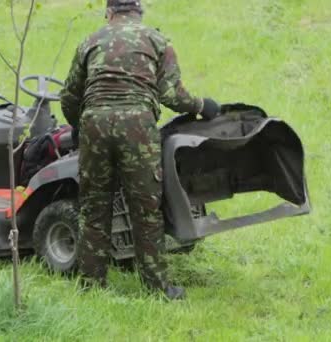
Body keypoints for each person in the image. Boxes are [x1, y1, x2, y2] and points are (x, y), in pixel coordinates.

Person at [59, 0, 221, 300]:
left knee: (94, 208)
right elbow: (172, 94)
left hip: (95, 123)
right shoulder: (157, 40)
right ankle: (158, 289)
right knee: (146, 209)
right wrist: (202, 106)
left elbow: (69, 95)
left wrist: (80, 126)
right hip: (137, 126)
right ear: (139, 12)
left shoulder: (90, 41)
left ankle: (91, 287)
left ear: (109, 13)